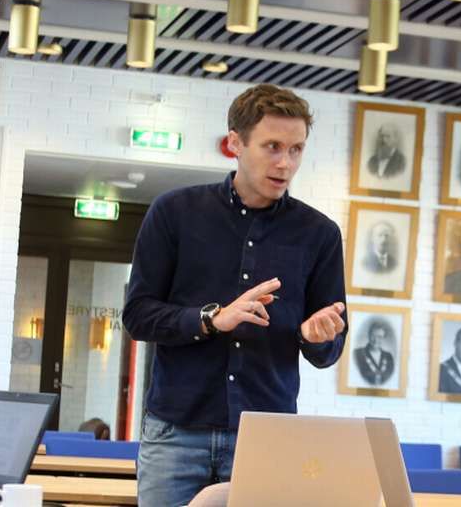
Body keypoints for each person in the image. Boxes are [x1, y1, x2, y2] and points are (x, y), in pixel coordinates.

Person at [122, 84, 347, 507]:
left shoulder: (320, 235)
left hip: (267, 438)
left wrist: (317, 338)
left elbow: (329, 349)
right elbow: (137, 316)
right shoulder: (173, 213)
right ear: (235, 144)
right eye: (272, 147)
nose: (285, 163)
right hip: (176, 434)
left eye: (296, 149)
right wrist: (211, 319)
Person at [353, 318, 395, 387]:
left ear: (384, 338)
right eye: (373, 336)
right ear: (369, 336)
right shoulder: (357, 354)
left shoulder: (389, 357)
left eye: (379, 337)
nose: (375, 340)